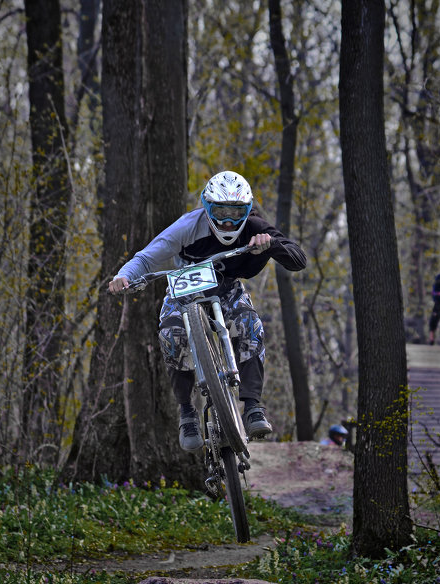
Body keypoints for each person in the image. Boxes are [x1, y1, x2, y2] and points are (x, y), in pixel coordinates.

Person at [109, 170, 307, 452]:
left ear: (247, 210)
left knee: (250, 325)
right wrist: (124, 276)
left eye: (236, 212)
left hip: (227, 289)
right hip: (183, 290)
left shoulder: (255, 227)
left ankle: (253, 407)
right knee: (171, 336)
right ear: (206, 207)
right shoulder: (187, 226)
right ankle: (187, 413)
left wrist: (271, 244)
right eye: (220, 211)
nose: (227, 221)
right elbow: (146, 257)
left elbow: (298, 260)